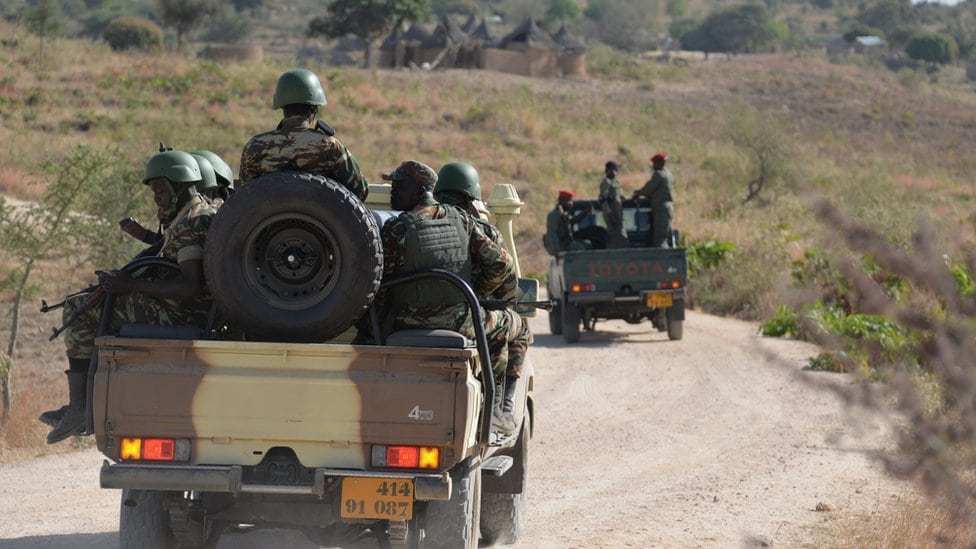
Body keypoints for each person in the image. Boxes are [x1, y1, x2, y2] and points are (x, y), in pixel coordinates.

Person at [42, 150, 217, 444]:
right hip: (176, 306)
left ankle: (80, 408)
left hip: (180, 312)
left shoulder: (191, 222)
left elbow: (189, 286)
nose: (156, 198)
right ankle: (85, 404)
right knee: (93, 298)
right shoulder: (191, 215)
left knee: (80, 308)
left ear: (179, 186)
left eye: (161, 190)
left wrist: (129, 286)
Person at [380, 160, 530, 435]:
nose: (393, 191)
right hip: (459, 322)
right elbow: (502, 266)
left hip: (406, 323)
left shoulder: (394, 229)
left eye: (399, 186)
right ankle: (497, 410)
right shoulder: (461, 219)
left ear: (419, 190)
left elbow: (380, 284)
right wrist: (473, 294)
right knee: (514, 325)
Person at [239, 68, 368, 201]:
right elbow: (360, 192)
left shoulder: (256, 146)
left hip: (268, 220)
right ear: (313, 109)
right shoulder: (330, 146)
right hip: (320, 220)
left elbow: (246, 194)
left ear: (282, 107)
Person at [433, 161, 520, 304]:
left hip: (408, 316)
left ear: (436, 195)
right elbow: (508, 291)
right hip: (465, 316)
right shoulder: (484, 232)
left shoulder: (413, 226)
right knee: (514, 321)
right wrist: (474, 295)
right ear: (471, 199)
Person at [632, 152, 675, 247]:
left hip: (661, 208)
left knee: (660, 236)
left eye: (655, 163)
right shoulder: (668, 174)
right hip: (666, 207)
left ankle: (660, 255)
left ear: (660, 163)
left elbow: (649, 189)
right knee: (663, 232)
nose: (653, 166)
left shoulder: (659, 175)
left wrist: (638, 193)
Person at [543, 189, 588, 255]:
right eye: (568, 200)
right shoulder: (554, 215)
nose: (570, 203)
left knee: (587, 244)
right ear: (561, 201)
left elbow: (572, 221)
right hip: (561, 246)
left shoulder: (563, 213)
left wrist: (585, 212)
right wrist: (558, 251)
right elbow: (552, 234)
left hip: (567, 243)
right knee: (580, 248)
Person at [598, 160, 628, 248]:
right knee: (616, 236)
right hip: (612, 214)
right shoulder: (606, 182)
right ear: (607, 170)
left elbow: (615, 195)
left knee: (619, 236)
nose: (614, 172)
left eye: (615, 170)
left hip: (617, 214)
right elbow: (602, 199)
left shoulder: (614, 182)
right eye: (611, 169)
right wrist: (609, 214)